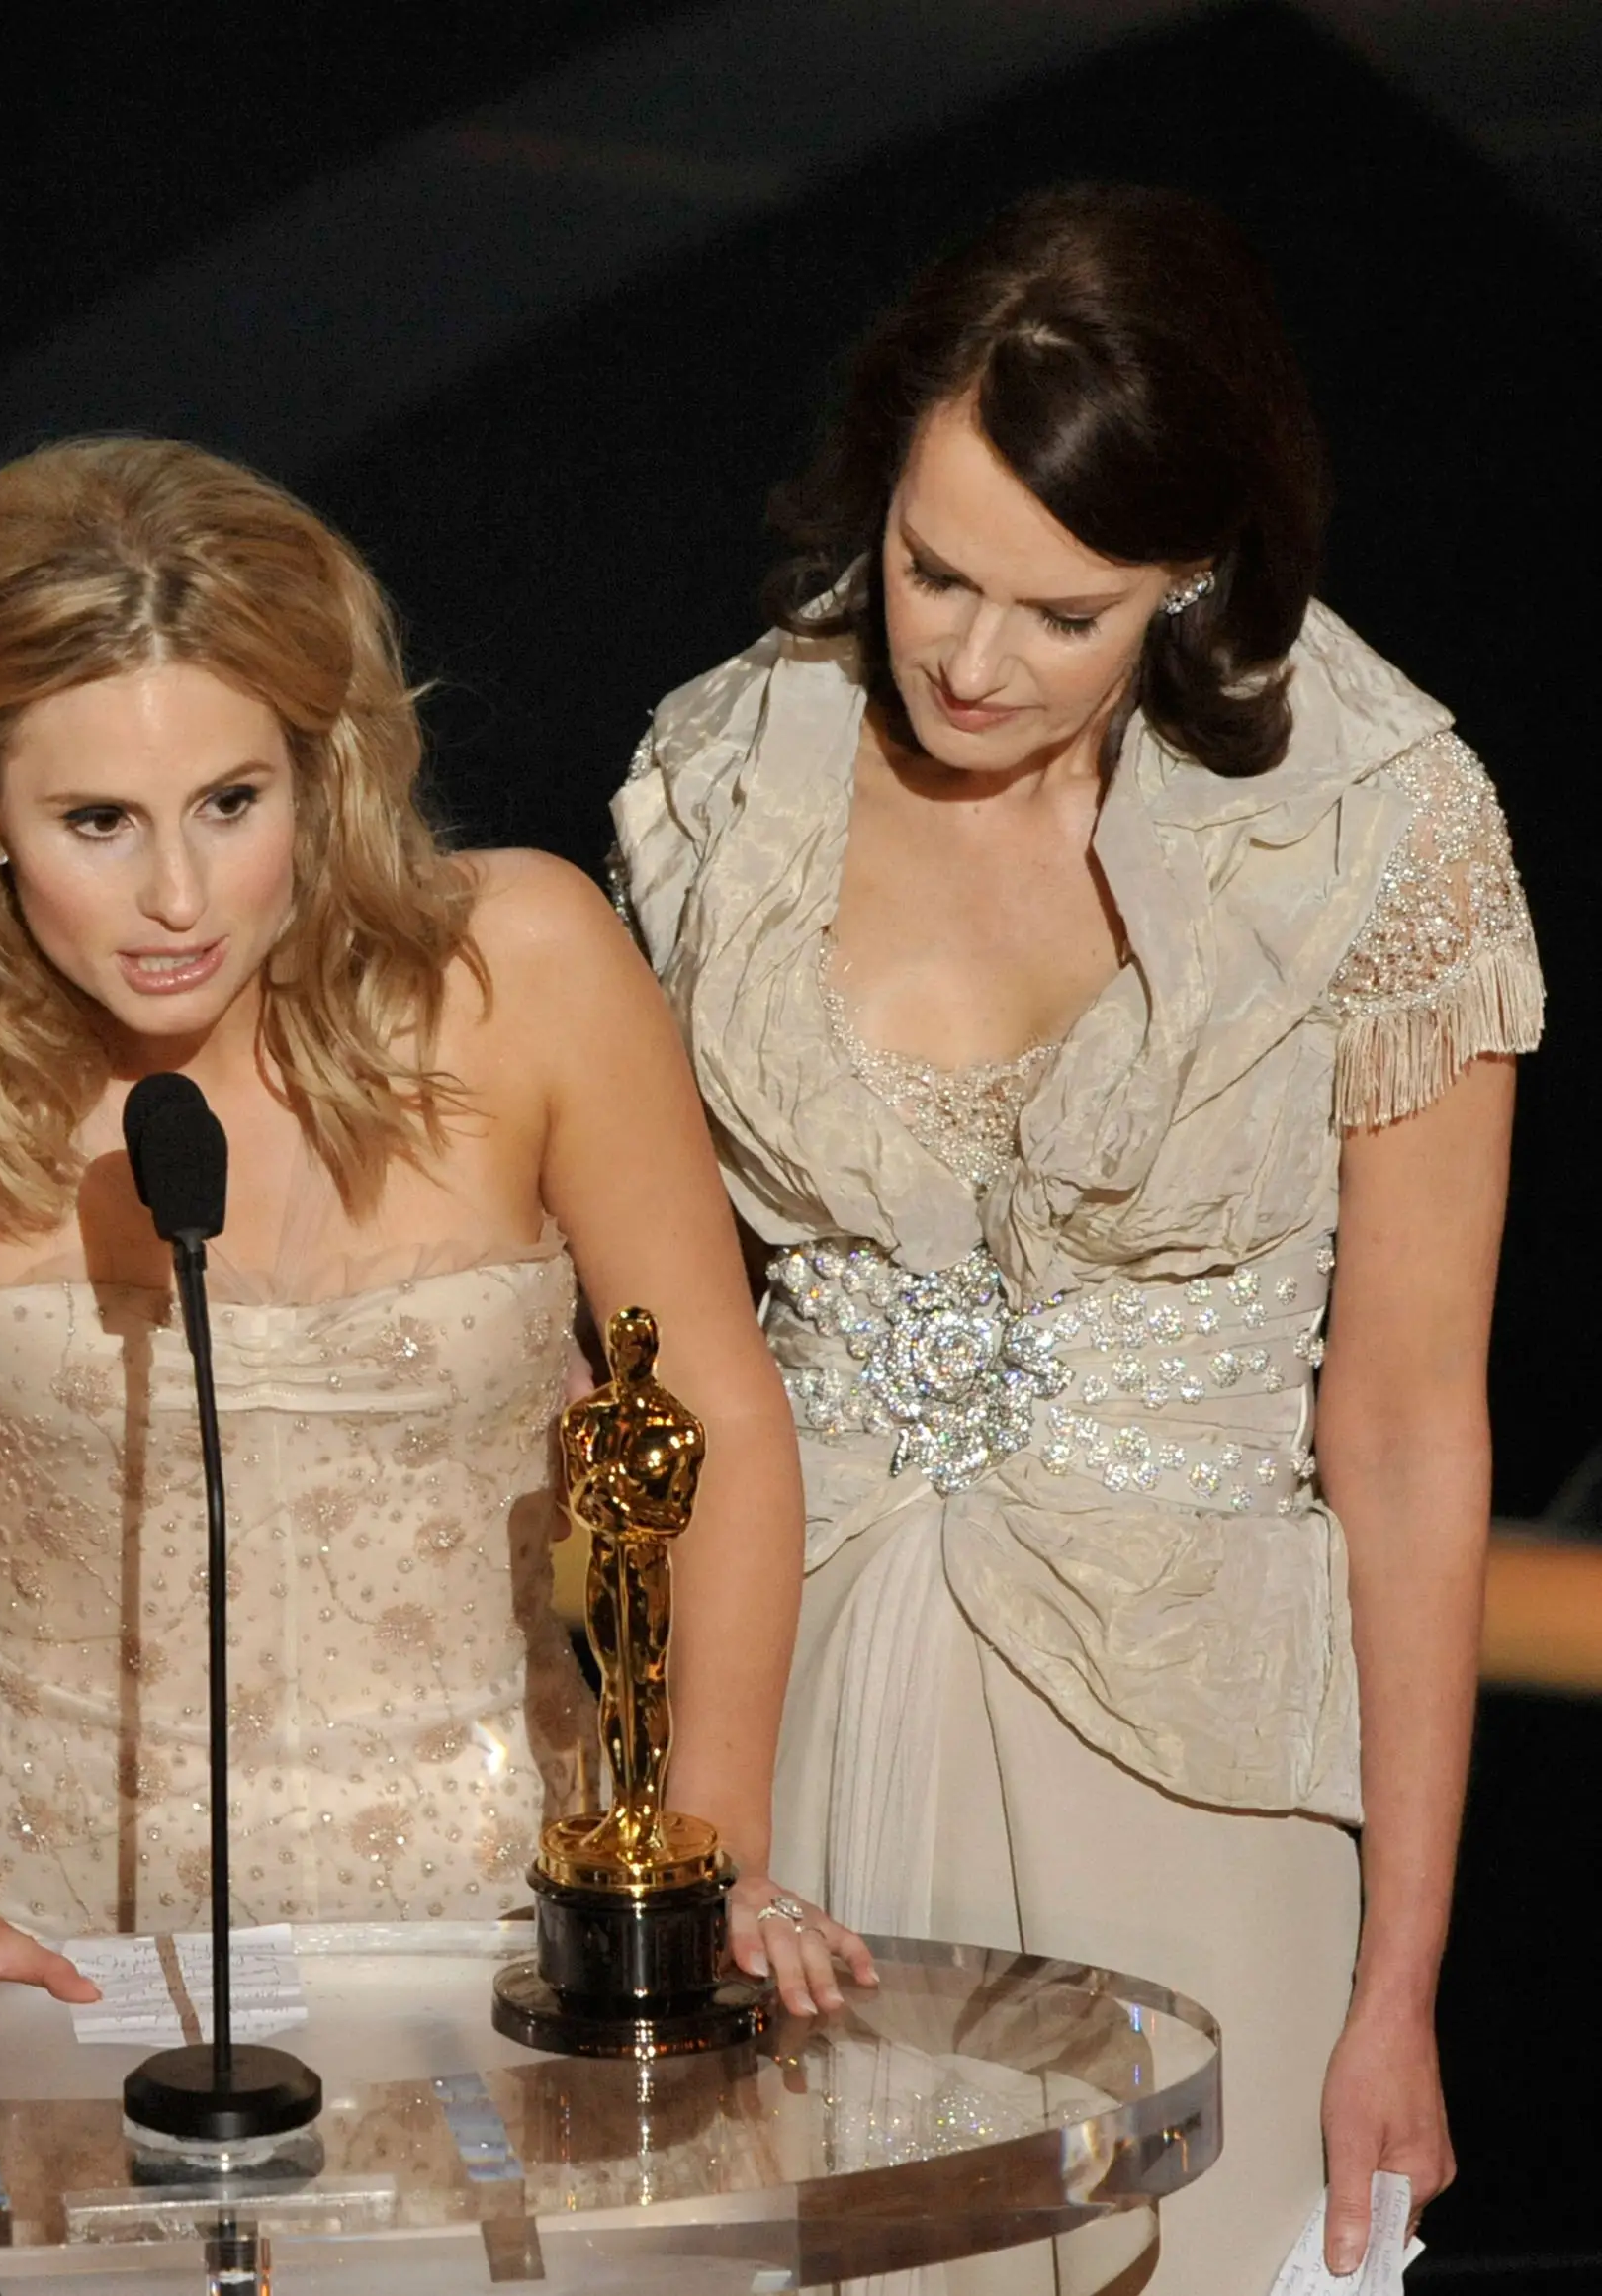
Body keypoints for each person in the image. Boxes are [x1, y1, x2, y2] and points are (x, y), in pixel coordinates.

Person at [613, 185, 1539, 2285]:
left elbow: (1406, 1426)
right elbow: (646, 1359)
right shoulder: (721, 774)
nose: (963, 654)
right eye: (933, 568)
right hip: (803, 1752)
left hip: (1193, 1767)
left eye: (1065, 613)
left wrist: (1403, 1989)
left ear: (1196, 579)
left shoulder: (1377, 821)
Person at [0, 436, 866, 2059]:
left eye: (230, 801)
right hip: (58, 1927)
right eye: (97, 821)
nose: (178, 895)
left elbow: (715, 1416)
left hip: (499, 1908)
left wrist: (711, 1849)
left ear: (318, 766)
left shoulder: (527, 967)